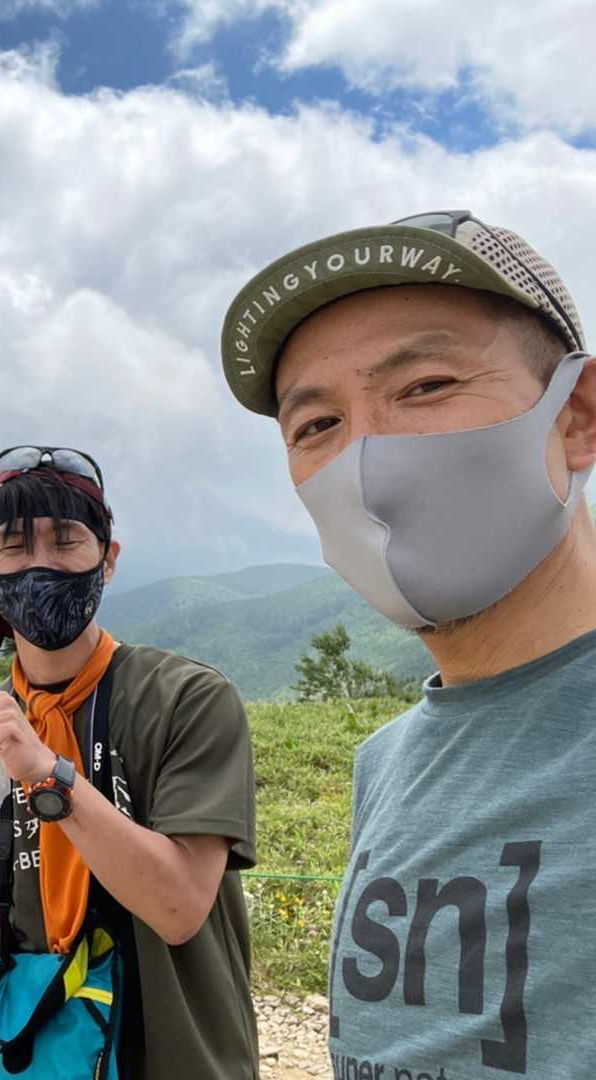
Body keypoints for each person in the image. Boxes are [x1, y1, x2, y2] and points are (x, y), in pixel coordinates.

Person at [220, 210, 596, 1079]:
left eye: (425, 385)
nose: (365, 458)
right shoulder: (384, 764)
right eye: (317, 426)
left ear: (577, 414)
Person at [0, 447, 260, 1079]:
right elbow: (17, 907)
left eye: (66, 541)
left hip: (174, 1058)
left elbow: (178, 908)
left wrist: (47, 774)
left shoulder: (185, 700)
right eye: (14, 546)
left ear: (108, 559)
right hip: (42, 1056)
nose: (40, 563)